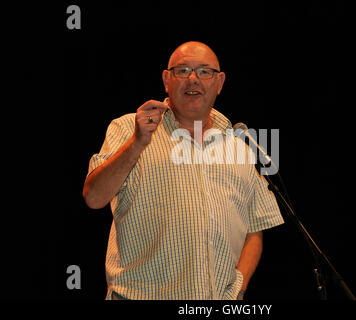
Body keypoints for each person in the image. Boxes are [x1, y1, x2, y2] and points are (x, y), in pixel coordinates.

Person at [83, 41, 284, 300]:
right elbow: (94, 197)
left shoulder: (239, 145)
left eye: (204, 72)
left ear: (220, 82)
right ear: (167, 80)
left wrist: (238, 291)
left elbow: (254, 229)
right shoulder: (128, 128)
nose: (193, 79)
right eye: (182, 70)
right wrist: (137, 144)